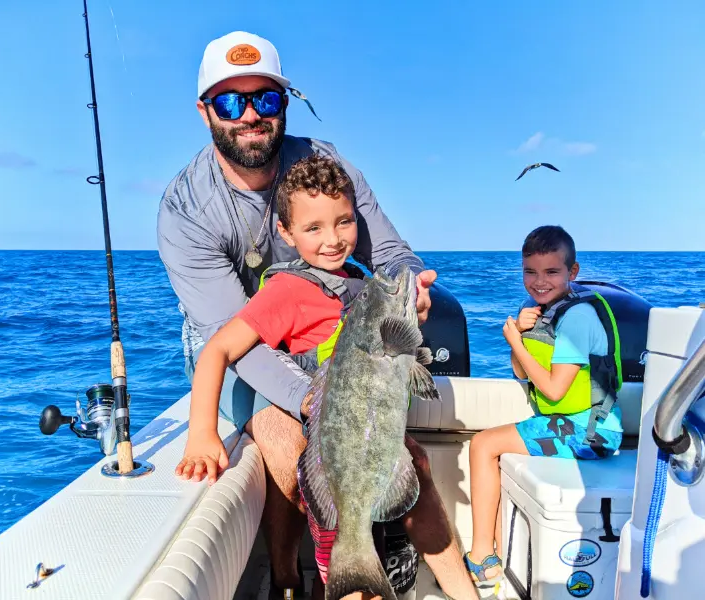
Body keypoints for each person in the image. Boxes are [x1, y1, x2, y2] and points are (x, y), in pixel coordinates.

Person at [158, 31, 473, 599]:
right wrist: (313, 401)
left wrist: (417, 289)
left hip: (331, 344)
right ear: (206, 111)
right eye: (231, 101)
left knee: (409, 461)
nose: (251, 115)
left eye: (267, 99)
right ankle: (286, 578)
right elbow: (231, 344)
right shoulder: (186, 209)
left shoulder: (325, 167)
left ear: (285, 103)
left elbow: (393, 258)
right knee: (287, 441)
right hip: (241, 348)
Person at [465, 225, 624, 590]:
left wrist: (513, 340)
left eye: (551, 272)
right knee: (493, 444)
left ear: (573, 272)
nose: (539, 281)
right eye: (530, 272)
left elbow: (552, 390)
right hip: (573, 422)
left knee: (483, 445)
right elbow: (522, 372)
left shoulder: (577, 318)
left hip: (591, 432)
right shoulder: (542, 310)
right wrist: (520, 337)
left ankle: (479, 557)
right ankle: (490, 553)